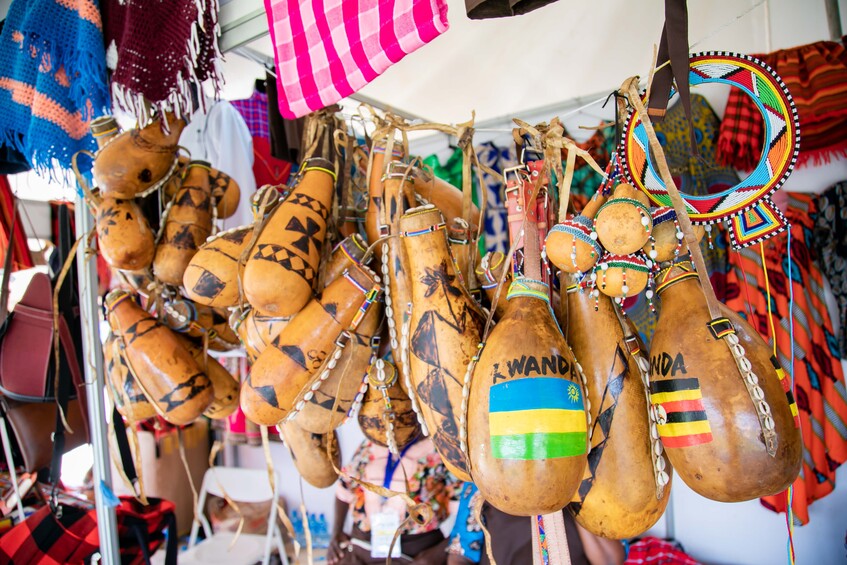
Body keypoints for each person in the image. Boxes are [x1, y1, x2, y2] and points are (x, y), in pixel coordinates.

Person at [328, 436, 457, 564]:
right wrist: (336, 533)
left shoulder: (443, 449)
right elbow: (344, 488)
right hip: (360, 552)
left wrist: (437, 554)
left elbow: (468, 514)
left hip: (417, 556)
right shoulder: (373, 441)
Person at [446, 483, 625, 565]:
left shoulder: (485, 483)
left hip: (500, 465)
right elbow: (611, 560)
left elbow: (460, 555)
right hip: (566, 465)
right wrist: (573, 489)